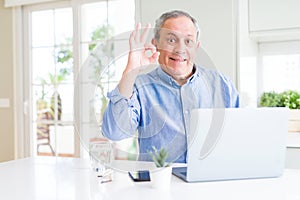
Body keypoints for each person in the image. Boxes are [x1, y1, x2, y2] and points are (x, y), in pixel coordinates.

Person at [102, 10, 239, 163]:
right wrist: (130, 70)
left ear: (196, 47)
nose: (180, 49)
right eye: (171, 40)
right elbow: (114, 132)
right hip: (159, 185)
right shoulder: (139, 87)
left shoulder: (222, 85)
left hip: (211, 182)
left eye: (188, 41)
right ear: (156, 44)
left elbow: (240, 136)